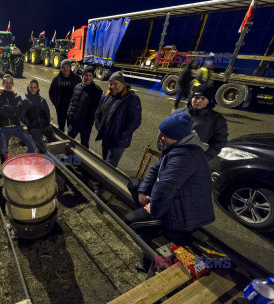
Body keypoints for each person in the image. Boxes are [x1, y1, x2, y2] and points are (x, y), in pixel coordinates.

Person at [125, 113, 215, 272]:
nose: (158, 137)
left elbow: (164, 188)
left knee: (137, 225)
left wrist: (153, 210)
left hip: (186, 212)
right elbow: (156, 169)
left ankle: (172, 267)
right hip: (180, 201)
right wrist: (142, 191)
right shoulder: (178, 146)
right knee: (135, 189)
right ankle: (150, 263)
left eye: (163, 135)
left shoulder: (184, 157)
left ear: (176, 136)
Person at [94, 71, 142, 168]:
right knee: (104, 162)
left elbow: (135, 121)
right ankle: (102, 181)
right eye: (110, 83)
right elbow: (98, 112)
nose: (112, 86)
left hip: (117, 142)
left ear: (123, 85)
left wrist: (121, 135)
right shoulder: (107, 95)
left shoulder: (131, 99)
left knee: (109, 166)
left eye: (116, 84)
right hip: (106, 138)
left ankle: (103, 183)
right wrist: (99, 127)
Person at [172, 83, 228, 161]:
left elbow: (219, 142)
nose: (198, 101)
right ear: (191, 98)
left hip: (193, 161)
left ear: (209, 101)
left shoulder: (217, 119)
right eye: (196, 97)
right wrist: (164, 147)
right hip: (171, 157)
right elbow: (164, 132)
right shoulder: (177, 113)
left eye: (203, 98)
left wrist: (203, 158)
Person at [0, 74, 36, 162]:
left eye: (10, 83)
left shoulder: (17, 96)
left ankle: (26, 162)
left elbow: (18, 110)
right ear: (3, 83)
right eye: (6, 83)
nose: (8, 85)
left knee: (32, 144)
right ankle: (6, 168)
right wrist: (12, 110)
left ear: (13, 84)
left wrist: (5, 107)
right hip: (3, 127)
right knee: (3, 150)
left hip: (17, 127)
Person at [67, 66, 102, 148]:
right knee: (68, 141)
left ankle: (83, 160)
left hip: (85, 125)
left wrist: (90, 121)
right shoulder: (77, 86)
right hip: (73, 122)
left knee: (84, 145)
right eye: (86, 75)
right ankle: (68, 157)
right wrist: (69, 114)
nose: (88, 78)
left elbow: (98, 110)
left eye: (90, 75)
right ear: (82, 76)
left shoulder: (97, 91)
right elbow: (72, 102)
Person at [20, 79, 55, 152]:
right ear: (28, 87)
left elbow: (47, 113)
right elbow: (22, 116)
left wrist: (47, 122)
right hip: (34, 128)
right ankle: (44, 157)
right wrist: (30, 124)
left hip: (45, 126)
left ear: (38, 88)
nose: (33, 89)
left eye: (34, 87)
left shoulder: (42, 100)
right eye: (31, 87)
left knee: (54, 141)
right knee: (40, 146)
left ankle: (55, 159)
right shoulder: (25, 101)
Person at [49, 59, 82, 132]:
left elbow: (81, 92)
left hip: (72, 109)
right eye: (63, 67)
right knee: (61, 128)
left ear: (70, 68)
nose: (65, 69)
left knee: (71, 128)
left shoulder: (76, 79)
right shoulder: (56, 79)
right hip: (60, 108)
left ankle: (70, 142)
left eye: (67, 67)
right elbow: (51, 93)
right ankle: (61, 142)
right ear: (61, 68)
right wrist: (56, 103)